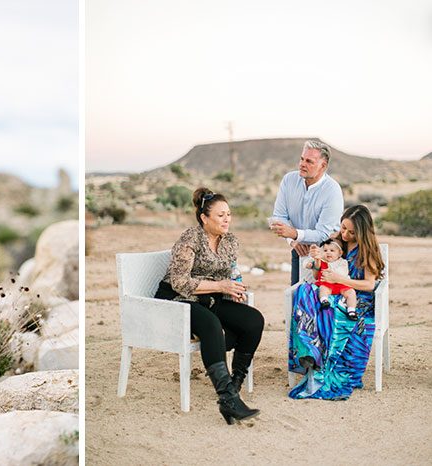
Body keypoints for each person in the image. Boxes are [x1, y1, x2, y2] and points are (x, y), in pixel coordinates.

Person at [154, 187, 264, 424]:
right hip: (177, 299)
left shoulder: (231, 241)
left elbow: (231, 272)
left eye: (229, 214)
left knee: (253, 320)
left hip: (211, 298)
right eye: (221, 215)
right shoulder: (190, 238)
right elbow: (179, 281)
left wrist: (235, 287)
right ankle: (227, 398)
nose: (227, 219)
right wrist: (222, 286)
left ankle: (234, 385)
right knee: (211, 324)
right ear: (204, 218)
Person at [289, 204, 385, 399]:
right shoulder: (334, 242)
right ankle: (310, 352)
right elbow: (319, 273)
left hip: (356, 298)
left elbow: (368, 285)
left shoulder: (368, 250)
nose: (345, 234)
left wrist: (340, 280)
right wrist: (317, 261)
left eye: (351, 232)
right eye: (343, 228)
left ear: (363, 232)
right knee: (304, 290)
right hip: (331, 292)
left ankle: (327, 366)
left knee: (333, 312)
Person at [270, 140, 344, 285]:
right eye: (302, 159)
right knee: (296, 297)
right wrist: (293, 241)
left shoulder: (333, 190)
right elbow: (279, 216)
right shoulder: (288, 180)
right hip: (299, 250)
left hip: (328, 255)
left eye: (309, 161)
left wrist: (295, 234)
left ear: (322, 166)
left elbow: (324, 233)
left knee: (320, 301)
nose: (302, 164)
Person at [305, 237, 358, 320]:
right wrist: (309, 264)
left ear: (340, 253)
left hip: (341, 285)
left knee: (351, 293)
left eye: (332, 251)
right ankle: (324, 301)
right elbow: (310, 262)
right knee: (323, 289)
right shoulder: (321, 261)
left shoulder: (343, 262)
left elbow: (343, 273)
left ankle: (351, 311)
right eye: (325, 250)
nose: (328, 253)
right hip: (327, 284)